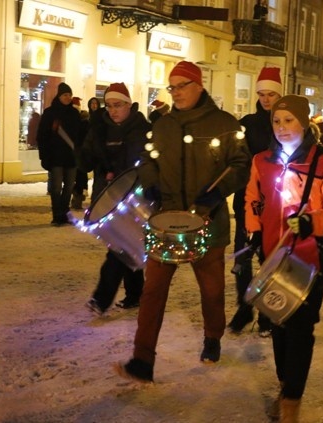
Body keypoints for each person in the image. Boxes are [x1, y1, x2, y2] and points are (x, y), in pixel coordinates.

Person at [115, 61, 251, 382]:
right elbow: (148, 159)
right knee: (152, 291)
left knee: (212, 291)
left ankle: (212, 337)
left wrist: (211, 199)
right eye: (171, 87)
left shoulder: (225, 123)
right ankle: (142, 359)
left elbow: (241, 164)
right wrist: (150, 186)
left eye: (181, 86)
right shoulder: (163, 125)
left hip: (208, 222)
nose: (175, 93)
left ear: (198, 86)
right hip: (165, 221)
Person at [245, 95, 323, 421]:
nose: (282, 128)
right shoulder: (262, 160)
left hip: (310, 256)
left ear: (304, 123)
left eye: (289, 120)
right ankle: (285, 382)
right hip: (274, 255)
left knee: (301, 326)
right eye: (277, 121)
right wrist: (256, 232)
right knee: (279, 321)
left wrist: (312, 222)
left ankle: (291, 401)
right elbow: (253, 199)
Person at [79, 82, 150, 315]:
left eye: (118, 105)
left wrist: (119, 171)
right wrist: (84, 156)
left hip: (133, 197)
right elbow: (86, 160)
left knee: (120, 247)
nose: (113, 110)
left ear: (129, 104)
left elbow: (140, 163)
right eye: (109, 105)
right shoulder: (99, 129)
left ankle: (101, 299)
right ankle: (135, 295)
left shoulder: (140, 128)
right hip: (108, 197)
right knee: (126, 245)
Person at [228, 66, 283, 335]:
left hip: (277, 200)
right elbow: (238, 159)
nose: (265, 99)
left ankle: (266, 314)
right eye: (261, 94)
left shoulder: (286, 122)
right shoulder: (248, 123)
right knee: (242, 256)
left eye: (271, 93)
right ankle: (244, 306)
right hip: (248, 198)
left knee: (270, 258)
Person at [37, 82, 82, 226]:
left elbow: (79, 135)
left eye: (70, 95)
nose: (68, 98)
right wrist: (44, 156)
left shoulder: (74, 113)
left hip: (71, 157)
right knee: (56, 188)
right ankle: (57, 215)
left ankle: (65, 213)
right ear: (59, 96)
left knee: (69, 187)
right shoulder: (50, 113)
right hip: (55, 157)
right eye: (65, 95)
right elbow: (42, 136)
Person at [71, 97, 89, 210]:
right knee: (78, 176)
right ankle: (77, 196)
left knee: (79, 176)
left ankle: (77, 198)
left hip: (79, 152)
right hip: (75, 152)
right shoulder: (75, 121)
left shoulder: (83, 122)